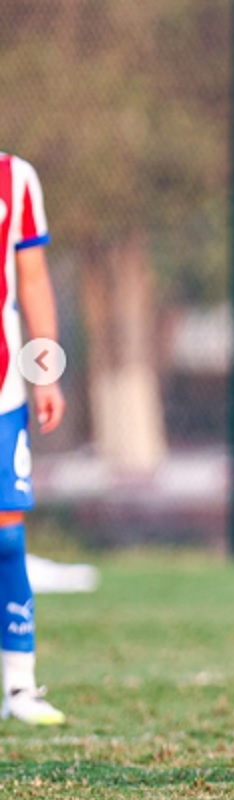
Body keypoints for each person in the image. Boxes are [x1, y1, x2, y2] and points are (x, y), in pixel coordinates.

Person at [0, 151, 68, 726]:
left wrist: (44, 371)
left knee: (7, 535)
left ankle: (19, 684)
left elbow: (33, 278)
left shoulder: (15, 178)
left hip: (3, 391)